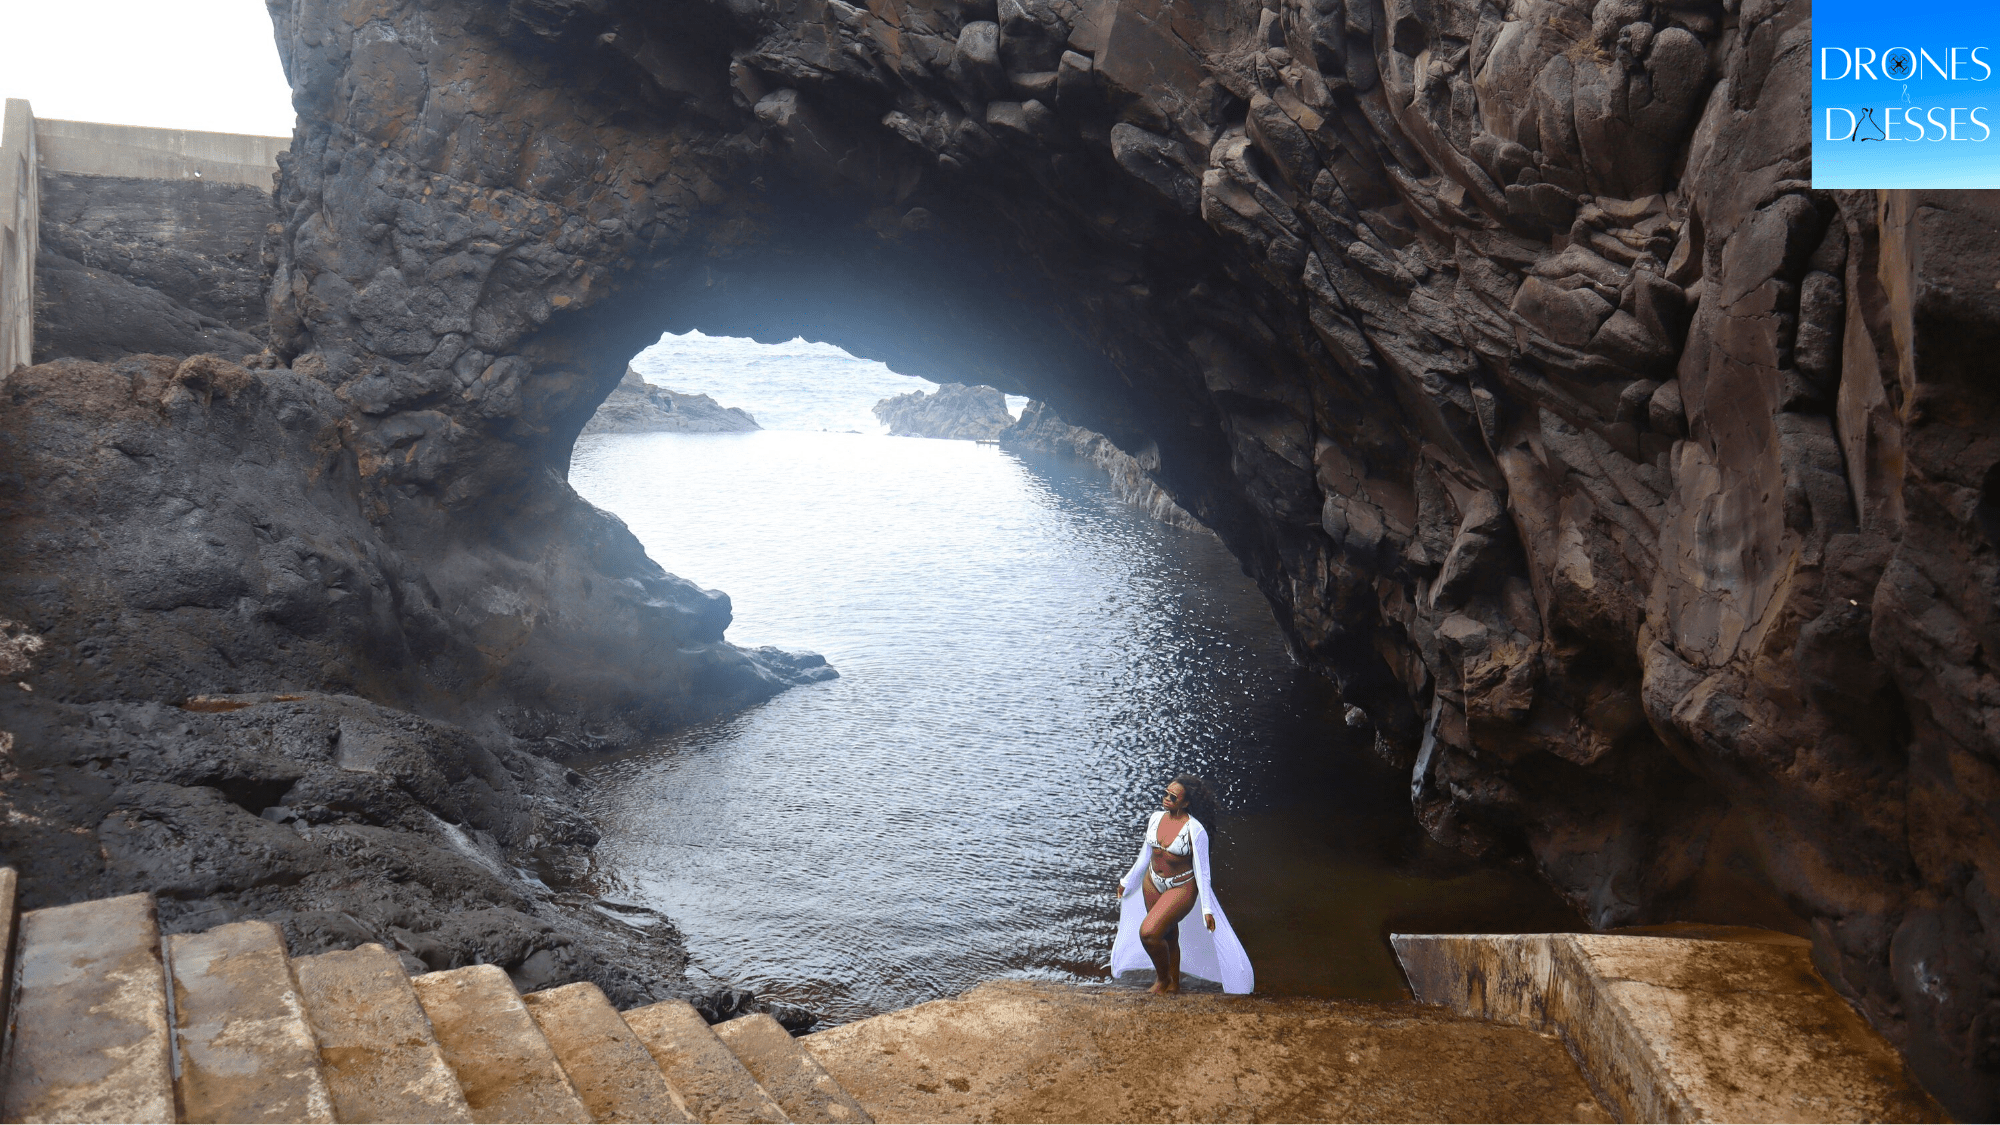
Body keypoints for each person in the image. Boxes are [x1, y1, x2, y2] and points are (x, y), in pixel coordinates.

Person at [1109, 775, 1253, 994]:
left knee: (1149, 933)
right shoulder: (1156, 818)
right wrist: (1126, 882)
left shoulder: (1195, 830)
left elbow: (1202, 872)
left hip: (1181, 886)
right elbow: (1144, 856)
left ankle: (1162, 980)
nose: (1167, 799)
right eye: (1166, 793)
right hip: (1152, 881)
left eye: (1173, 797)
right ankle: (1174, 984)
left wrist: (1207, 909)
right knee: (1167, 935)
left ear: (1186, 803)